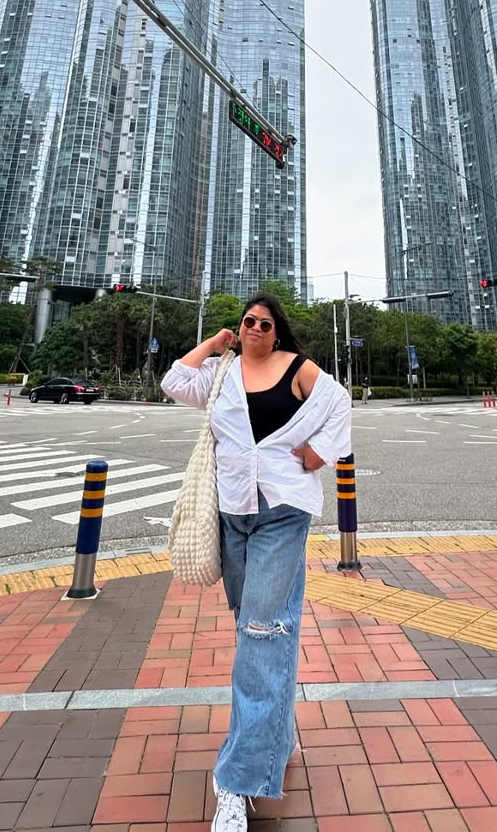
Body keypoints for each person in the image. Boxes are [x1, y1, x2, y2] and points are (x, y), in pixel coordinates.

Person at [162, 293, 352, 832]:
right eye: (248, 322)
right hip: (233, 513)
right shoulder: (221, 371)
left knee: (260, 632)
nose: (256, 329)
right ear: (239, 327)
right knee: (266, 628)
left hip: (283, 512)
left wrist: (320, 453)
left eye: (266, 324)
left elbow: (339, 406)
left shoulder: (297, 367)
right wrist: (213, 343)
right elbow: (174, 382)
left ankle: (239, 779)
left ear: (278, 331)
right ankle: (276, 739)